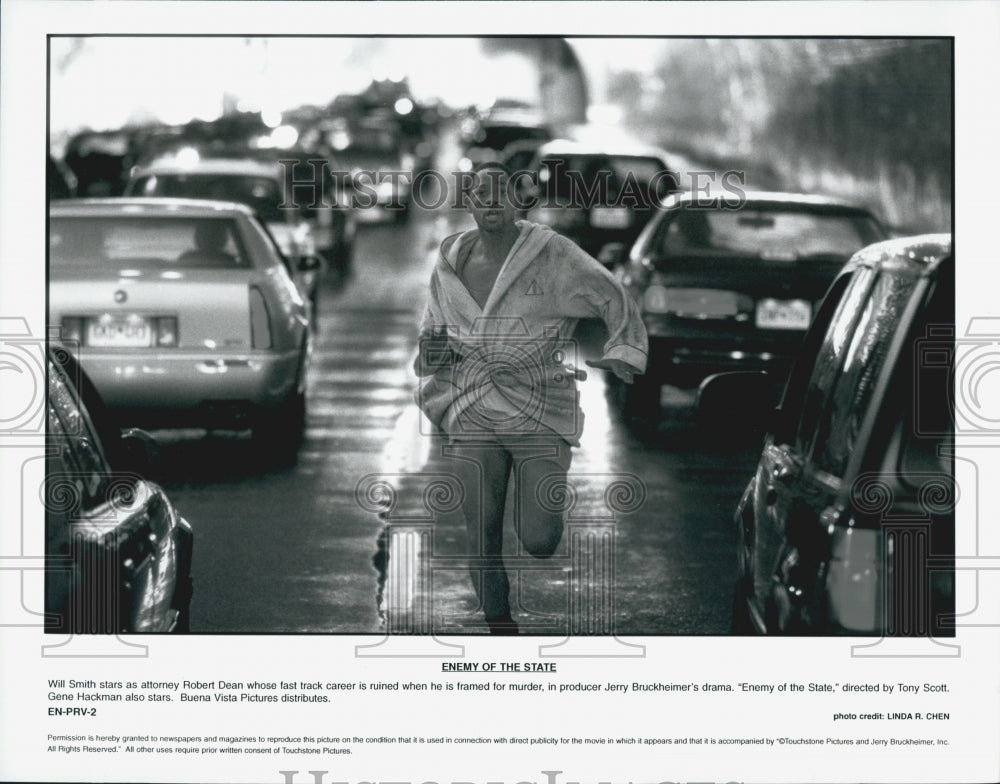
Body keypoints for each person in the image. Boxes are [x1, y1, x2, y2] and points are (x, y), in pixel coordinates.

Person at [413, 162, 648, 634]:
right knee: (481, 533)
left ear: (519, 200)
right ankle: (501, 628)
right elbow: (433, 330)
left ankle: (539, 529)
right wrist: (435, 365)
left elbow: (610, 293)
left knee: (539, 538)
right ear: (470, 202)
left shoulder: (551, 254)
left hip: (538, 406)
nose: (490, 202)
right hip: (471, 405)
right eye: (480, 194)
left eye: (500, 193)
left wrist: (624, 349)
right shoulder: (452, 260)